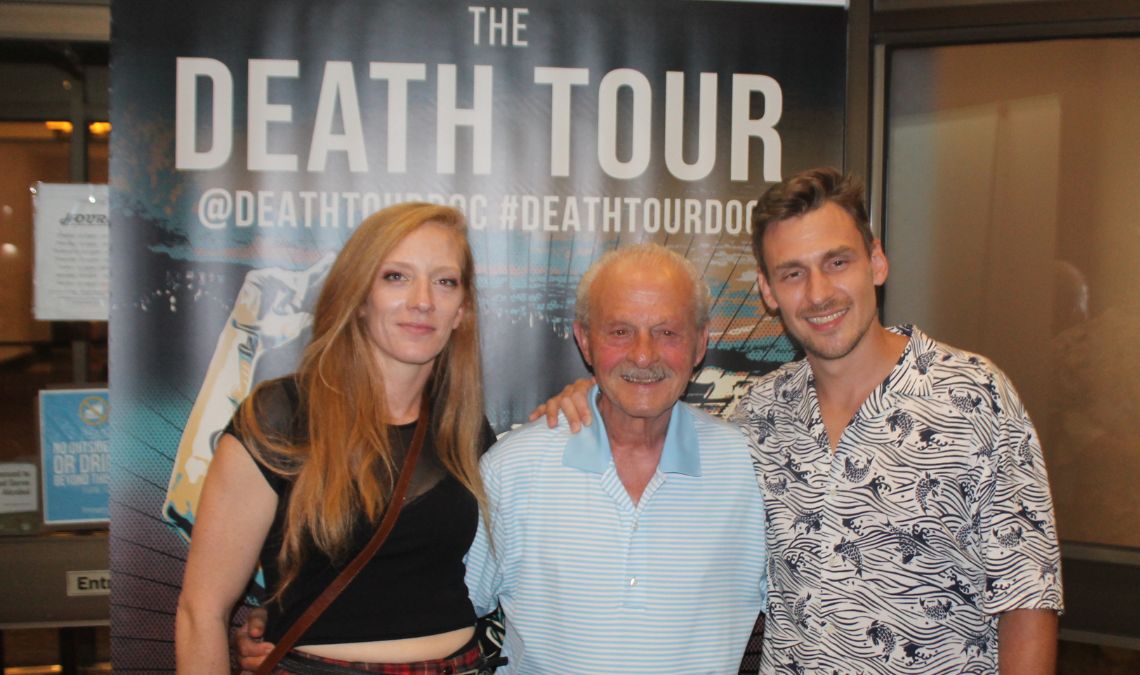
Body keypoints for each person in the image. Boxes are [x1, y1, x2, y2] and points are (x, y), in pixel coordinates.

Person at [540, 168, 1064, 674]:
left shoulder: (972, 395)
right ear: (768, 291)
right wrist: (592, 393)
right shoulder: (757, 414)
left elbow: (1027, 597)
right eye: (793, 273)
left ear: (876, 262)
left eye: (837, 263)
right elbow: (652, 407)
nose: (818, 294)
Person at [176, 203, 497, 674]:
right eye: (396, 277)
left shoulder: (465, 428)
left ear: (462, 311)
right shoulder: (281, 419)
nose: (423, 300)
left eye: (444, 281)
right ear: (359, 295)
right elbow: (200, 612)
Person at [464, 243, 767, 672]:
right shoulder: (511, 470)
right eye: (620, 332)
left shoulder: (753, 470)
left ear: (700, 344)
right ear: (585, 341)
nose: (644, 355)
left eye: (667, 332)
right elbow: (444, 614)